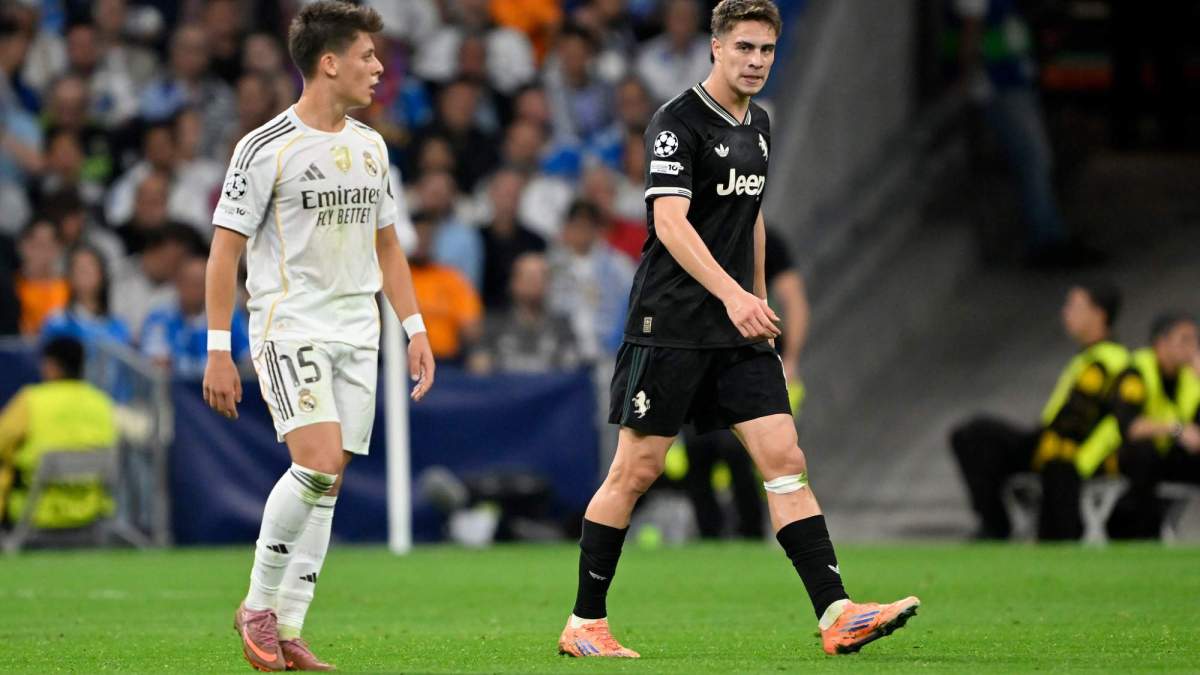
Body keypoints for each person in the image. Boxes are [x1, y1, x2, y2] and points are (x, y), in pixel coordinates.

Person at [556, 1, 918, 659]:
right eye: (744, 47)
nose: (756, 61)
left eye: (767, 51)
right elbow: (670, 222)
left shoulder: (760, 127)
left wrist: (753, 298)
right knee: (636, 470)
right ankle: (584, 621)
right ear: (716, 48)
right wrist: (732, 296)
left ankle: (837, 612)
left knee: (786, 459)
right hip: (668, 324)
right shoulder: (676, 123)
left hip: (736, 331)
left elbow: (749, 216)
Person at [202, 3, 435, 671]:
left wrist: (413, 327)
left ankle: (292, 624)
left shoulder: (370, 145)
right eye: (366, 56)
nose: (378, 67)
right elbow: (224, 253)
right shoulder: (263, 147)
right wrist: (217, 349)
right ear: (328, 62)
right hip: (290, 320)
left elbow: (388, 245)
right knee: (316, 460)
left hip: (359, 327)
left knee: (330, 479)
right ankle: (256, 604)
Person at [950, 283, 1128, 540]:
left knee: (975, 434)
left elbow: (1079, 421)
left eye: (1074, 306)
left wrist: (1058, 457)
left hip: (1066, 452)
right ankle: (996, 520)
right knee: (974, 435)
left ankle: (997, 525)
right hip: (1048, 440)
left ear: (1099, 314)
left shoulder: (1108, 360)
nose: (1066, 313)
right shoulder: (1090, 356)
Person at [1083, 314, 1200, 539]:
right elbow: (1130, 427)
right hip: (1115, 456)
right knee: (1144, 455)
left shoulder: (1190, 378)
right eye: (1185, 340)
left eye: (1195, 340)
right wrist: (1176, 429)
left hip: (1163, 455)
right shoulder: (1137, 370)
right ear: (1161, 343)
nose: (1192, 347)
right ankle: (1141, 534)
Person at [0, 337, 117, 530]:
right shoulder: (101, 402)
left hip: (34, 510)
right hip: (89, 511)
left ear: (51, 366)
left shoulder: (31, 400)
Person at [469, 252, 579, 374]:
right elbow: (478, 366)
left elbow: (571, 370)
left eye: (541, 277)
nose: (534, 283)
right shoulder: (492, 325)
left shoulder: (562, 326)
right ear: (513, 283)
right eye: (529, 276)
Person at [141, 255, 250, 377]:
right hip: (173, 391)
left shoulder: (229, 317)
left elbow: (247, 359)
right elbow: (156, 364)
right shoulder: (160, 317)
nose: (197, 289)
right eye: (191, 283)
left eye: (202, 283)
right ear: (178, 284)